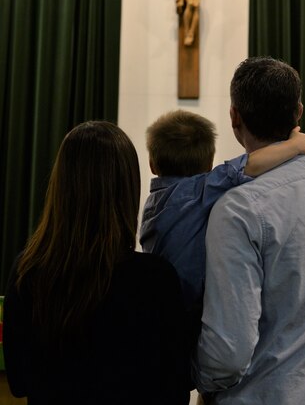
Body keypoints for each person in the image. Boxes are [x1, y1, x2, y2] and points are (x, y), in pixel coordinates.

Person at [192, 57, 305, 405]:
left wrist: (192, 376)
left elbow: (228, 354)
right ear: (299, 112)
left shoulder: (238, 210)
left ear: (234, 117)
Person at [3, 121, 191, 405]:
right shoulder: (156, 279)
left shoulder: (28, 272)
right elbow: (178, 386)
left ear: (61, 186)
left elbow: (18, 381)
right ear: (127, 187)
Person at [140, 109, 305, 341]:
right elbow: (246, 166)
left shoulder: (154, 203)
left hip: (158, 317)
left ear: (152, 164)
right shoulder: (195, 193)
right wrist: (296, 146)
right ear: (210, 163)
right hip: (189, 321)